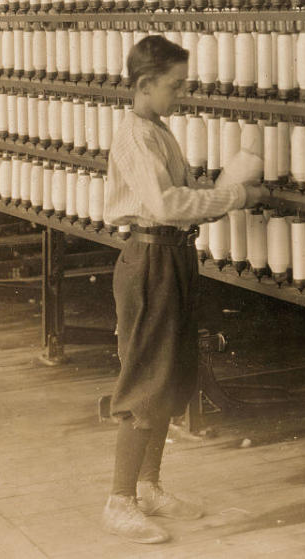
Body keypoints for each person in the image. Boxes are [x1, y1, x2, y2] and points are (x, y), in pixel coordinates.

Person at [101, 35, 268, 544]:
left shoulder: (160, 130)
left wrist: (224, 192)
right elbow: (168, 204)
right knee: (145, 378)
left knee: (172, 375)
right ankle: (120, 500)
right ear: (146, 84)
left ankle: (149, 487)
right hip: (149, 259)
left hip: (172, 255)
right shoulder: (135, 137)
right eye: (175, 85)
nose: (181, 94)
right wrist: (237, 193)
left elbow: (187, 195)